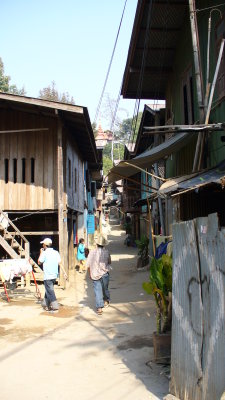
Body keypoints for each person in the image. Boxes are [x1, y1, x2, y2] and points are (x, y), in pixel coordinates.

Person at [38, 238, 68, 311]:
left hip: (48, 276)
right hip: (54, 275)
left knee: (50, 291)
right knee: (48, 290)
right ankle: (45, 304)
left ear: (45, 245)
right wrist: (64, 272)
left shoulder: (44, 253)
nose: (42, 245)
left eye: (43, 244)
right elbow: (60, 263)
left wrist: (41, 253)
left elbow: (39, 262)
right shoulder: (56, 252)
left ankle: (55, 306)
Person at [86, 235, 111, 315]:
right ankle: (106, 300)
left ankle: (99, 308)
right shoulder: (106, 252)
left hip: (95, 274)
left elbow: (88, 264)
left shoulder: (92, 252)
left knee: (97, 291)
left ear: (97, 244)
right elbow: (109, 262)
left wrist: (90, 273)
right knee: (105, 289)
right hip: (104, 274)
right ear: (104, 245)